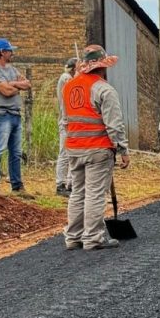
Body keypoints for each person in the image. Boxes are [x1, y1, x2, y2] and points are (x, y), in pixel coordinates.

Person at [62, 45, 130, 250]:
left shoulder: (69, 87)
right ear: (103, 66)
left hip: (74, 148)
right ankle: (93, 238)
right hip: (98, 149)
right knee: (95, 193)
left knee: (78, 193)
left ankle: (73, 237)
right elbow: (114, 125)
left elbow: (65, 120)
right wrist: (123, 150)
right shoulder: (104, 90)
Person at [0, 37, 32, 195]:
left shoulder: (12, 69)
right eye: (10, 51)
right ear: (2, 52)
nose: (12, 53)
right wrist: (16, 85)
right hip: (1, 114)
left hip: (15, 114)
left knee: (16, 152)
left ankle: (17, 186)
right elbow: (5, 91)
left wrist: (12, 84)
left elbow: (27, 84)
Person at [55, 57, 77, 196]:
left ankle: (70, 183)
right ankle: (60, 184)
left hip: (72, 122)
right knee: (64, 153)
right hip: (66, 122)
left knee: (72, 154)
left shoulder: (70, 78)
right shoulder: (66, 78)